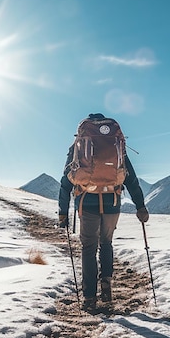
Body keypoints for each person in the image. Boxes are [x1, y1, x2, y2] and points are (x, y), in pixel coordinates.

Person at [58, 113, 149, 310]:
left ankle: (90, 297)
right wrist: (140, 206)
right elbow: (131, 179)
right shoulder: (117, 146)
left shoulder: (78, 146)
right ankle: (106, 286)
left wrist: (62, 213)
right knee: (106, 243)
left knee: (89, 249)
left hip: (86, 202)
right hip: (112, 202)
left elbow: (66, 181)